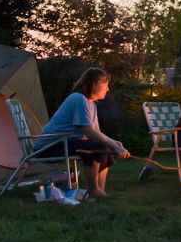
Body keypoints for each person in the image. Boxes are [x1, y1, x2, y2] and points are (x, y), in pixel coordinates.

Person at [34, 67, 130, 198]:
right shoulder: (78, 99)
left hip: (64, 143)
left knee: (104, 147)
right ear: (94, 84)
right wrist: (113, 145)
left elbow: (96, 132)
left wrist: (114, 143)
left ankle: (100, 191)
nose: (107, 89)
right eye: (105, 85)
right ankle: (94, 190)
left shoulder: (91, 105)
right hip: (48, 146)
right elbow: (87, 130)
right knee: (97, 147)